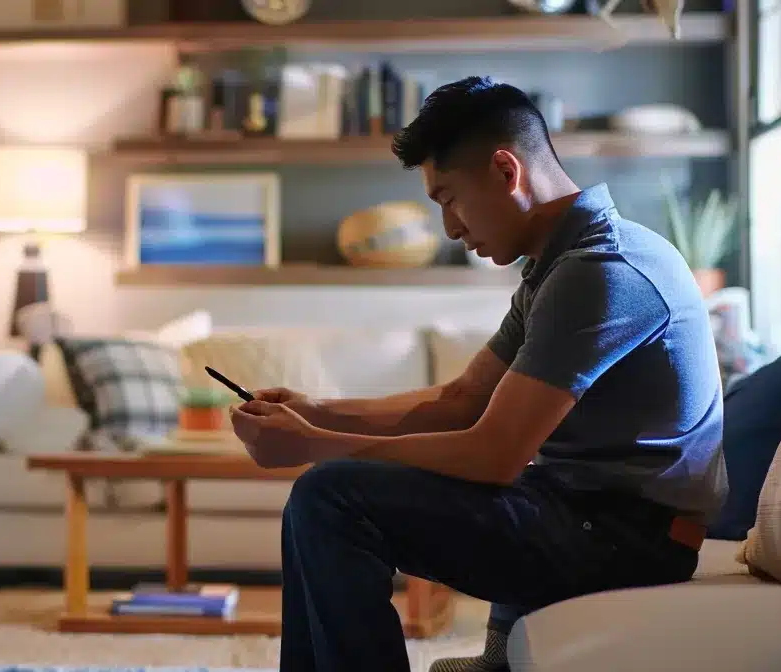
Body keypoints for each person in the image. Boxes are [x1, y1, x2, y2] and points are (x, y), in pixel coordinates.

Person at [228, 76, 727, 672]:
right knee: (324, 491)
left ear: (505, 170)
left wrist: (316, 446)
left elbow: (494, 455)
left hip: (628, 540)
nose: (450, 229)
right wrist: (315, 412)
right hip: (581, 512)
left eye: (449, 199)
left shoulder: (603, 270)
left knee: (331, 496)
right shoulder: (558, 266)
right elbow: (461, 399)